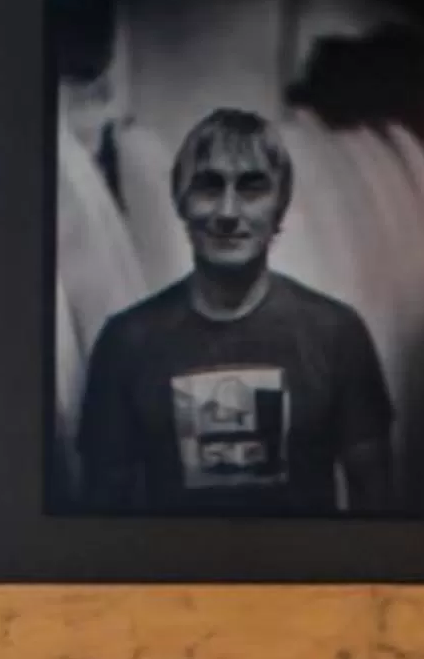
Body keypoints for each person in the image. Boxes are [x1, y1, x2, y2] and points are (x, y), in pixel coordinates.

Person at [75, 107, 395, 515]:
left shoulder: (338, 334)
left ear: (280, 206)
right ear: (181, 202)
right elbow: (100, 521)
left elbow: (377, 508)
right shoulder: (126, 343)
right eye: (208, 186)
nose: (228, 212)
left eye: (251, 188)